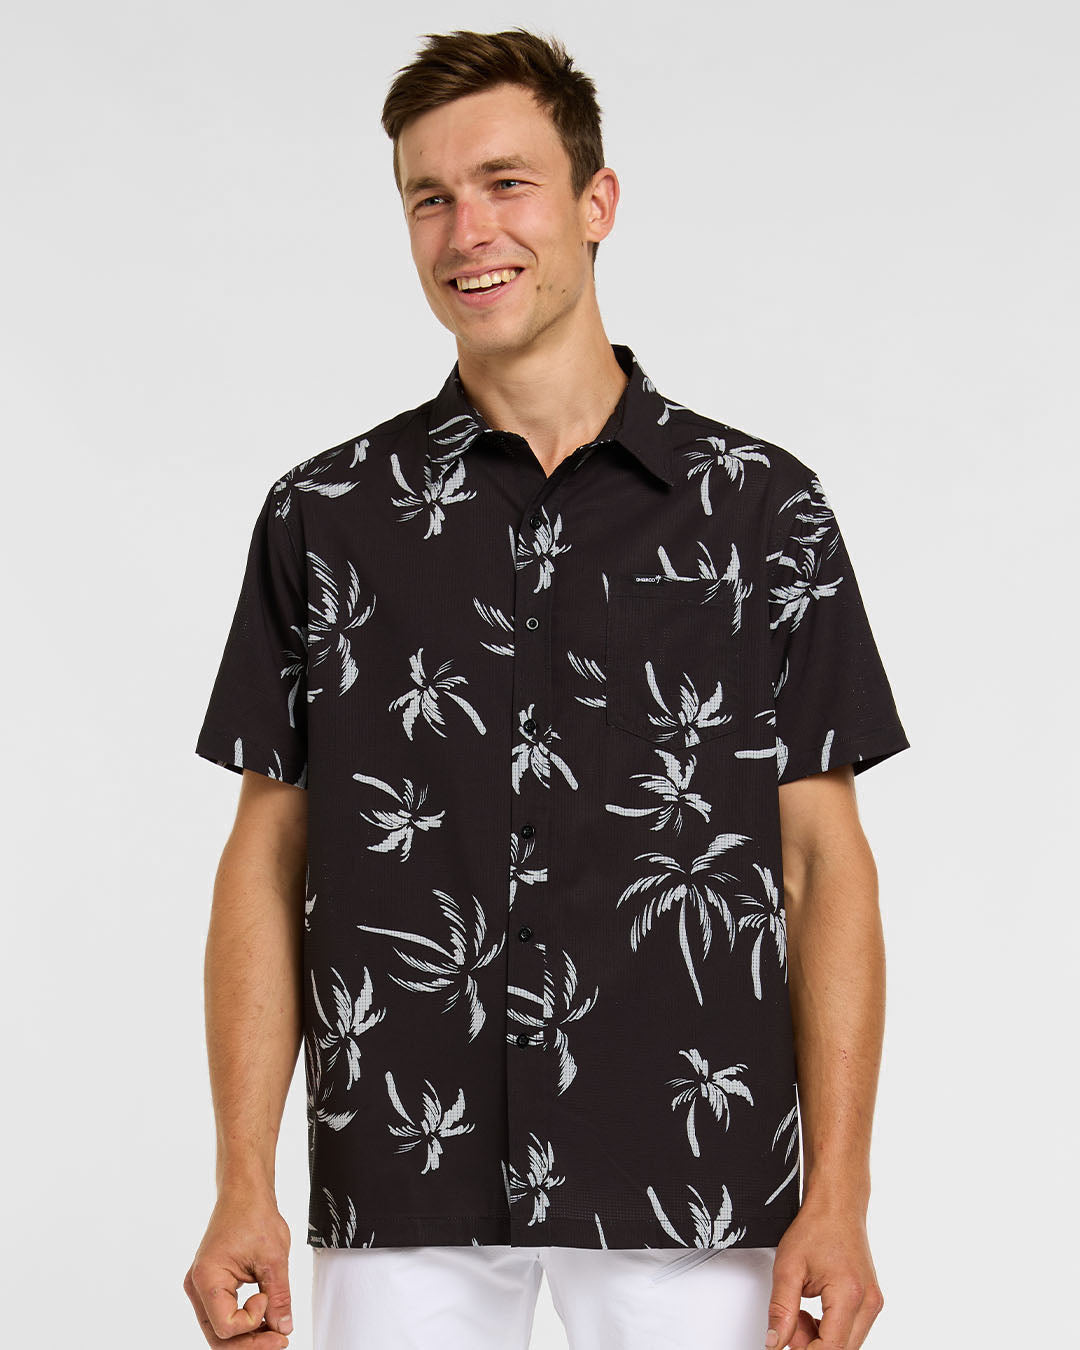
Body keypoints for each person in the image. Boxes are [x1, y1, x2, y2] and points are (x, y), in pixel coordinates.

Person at [183, 26, 909, 1350]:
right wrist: (243, 1179)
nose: (469, 231)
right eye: (429, 197)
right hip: (401, 1168)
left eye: (506, 183)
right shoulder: (325, 515)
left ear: (596, 202)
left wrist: (842, 1195)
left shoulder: (764, 512)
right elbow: (266, 858)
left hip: (690, 1178)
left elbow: (821, 865)